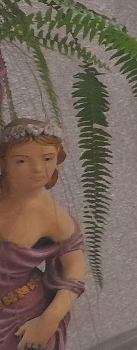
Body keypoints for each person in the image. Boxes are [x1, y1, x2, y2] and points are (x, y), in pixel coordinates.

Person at [0, 119, 85, 350]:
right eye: (22, 161)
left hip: (20, 318)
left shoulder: (53, 217)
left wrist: (49, 320)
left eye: (47, 158)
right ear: (4, 163)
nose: (38, 169)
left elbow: (75, 268)